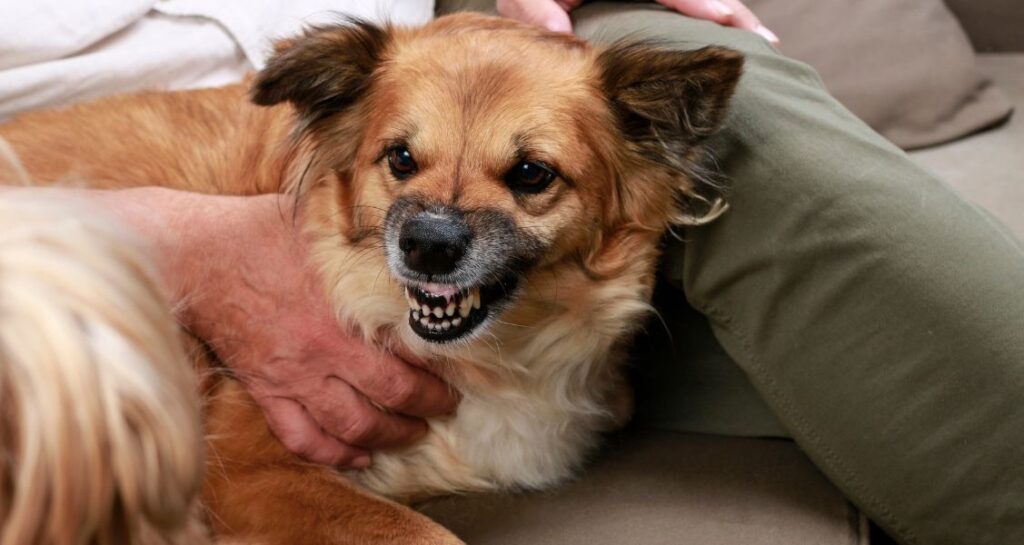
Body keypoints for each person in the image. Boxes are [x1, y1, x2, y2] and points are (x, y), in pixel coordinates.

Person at [2, 2, 1022, 545]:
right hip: (84, 150)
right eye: (405, 175)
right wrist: (157, 234)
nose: (437, 226)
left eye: (524, 179)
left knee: (796, 170)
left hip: (447, 17)